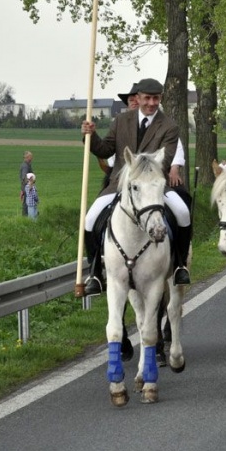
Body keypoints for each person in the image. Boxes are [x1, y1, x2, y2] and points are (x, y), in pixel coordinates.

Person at [81, 78, 192, 295]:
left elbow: (165, 160)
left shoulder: (170, 126)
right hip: (120, 185)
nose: (151, 103)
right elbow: (105, 149)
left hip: (153, 185)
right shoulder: (121, 120)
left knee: (182, 212)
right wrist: (91, 135)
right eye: (147, 98)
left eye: (156, 98)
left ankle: (179, 264)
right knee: (90, 218)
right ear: (138, 98)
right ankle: (95, 272)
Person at [19, 151, 33, 216]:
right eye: (31, 157)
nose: (32, 158)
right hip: (27, 187)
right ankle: (25, 216)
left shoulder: (27, 165)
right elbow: (24, 177)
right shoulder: (25, 166)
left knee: (27, 201)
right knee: (27, 202)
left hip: (25, 187)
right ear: (27, 157)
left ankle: (26, 215)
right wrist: (29, 185)